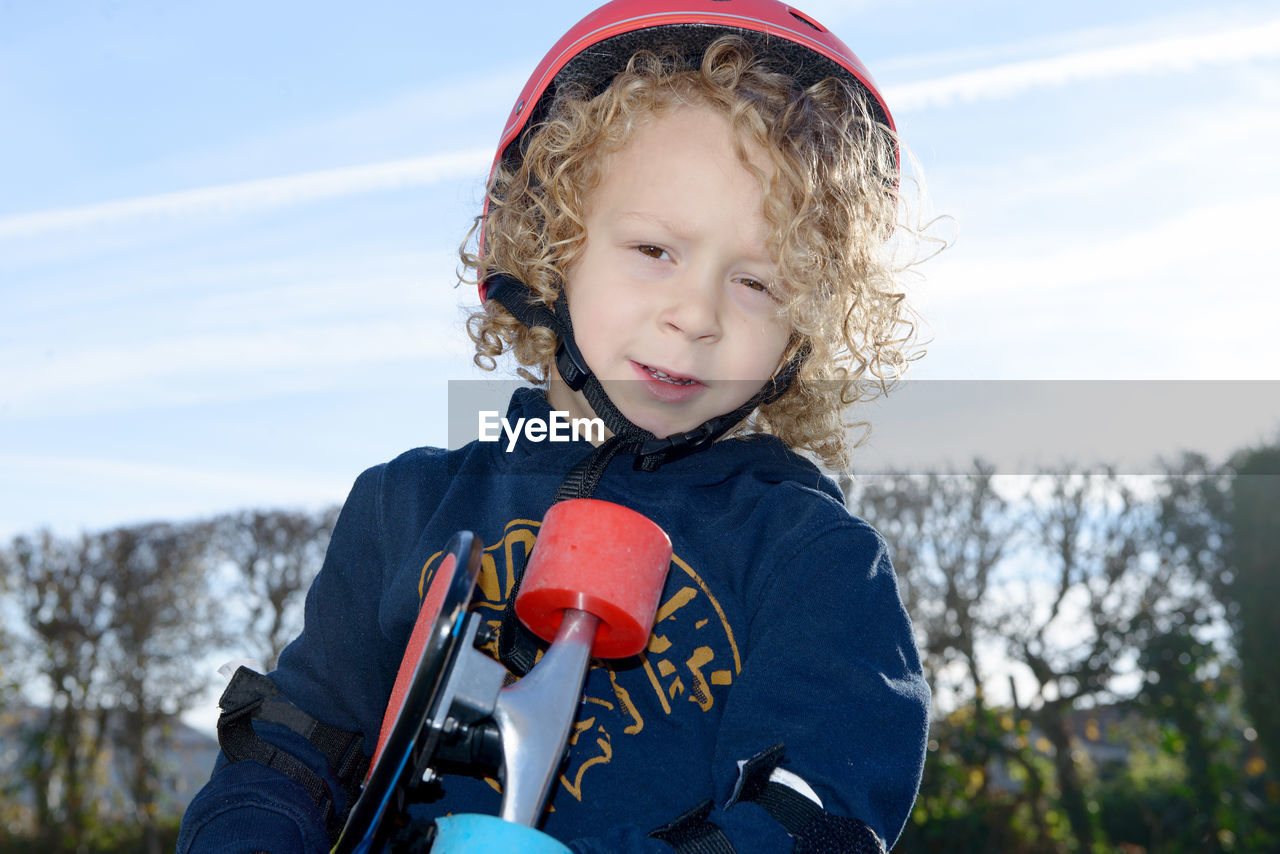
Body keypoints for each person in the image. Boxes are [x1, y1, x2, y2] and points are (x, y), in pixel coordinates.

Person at [178, 1, 931, 851]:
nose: (696, 313)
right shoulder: (406, 507)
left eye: (759, 283)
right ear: (550, 245)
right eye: (655, 250)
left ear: (807, 327)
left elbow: (813, 808)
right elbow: (289, 753)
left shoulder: (811, 559)